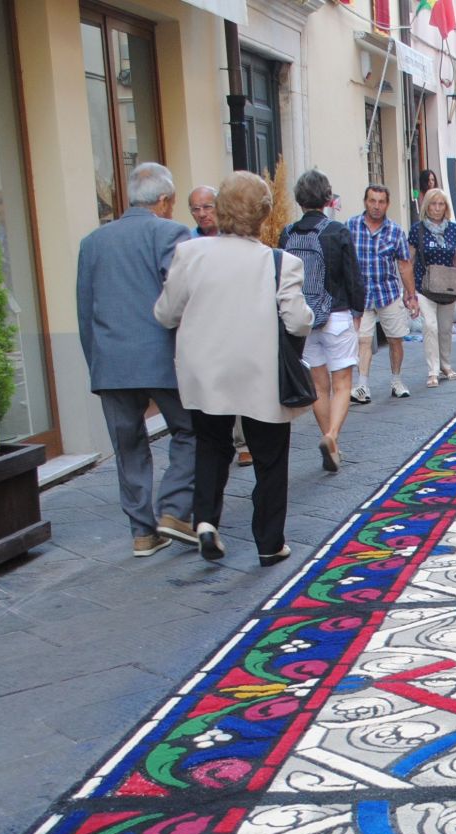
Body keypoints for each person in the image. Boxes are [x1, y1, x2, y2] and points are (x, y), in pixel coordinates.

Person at [153, 170, 312, 567]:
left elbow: (166, 313)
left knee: (210, 445)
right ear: (262, 215)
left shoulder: (190, 254)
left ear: (220, 210)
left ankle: (206, 521)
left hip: (205, 371)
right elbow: (296, 321)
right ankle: (269, 542)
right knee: (270, 458)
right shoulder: (280, 263)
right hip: (260, 371)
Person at [74, 161, 198, 557]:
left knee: (127, 445)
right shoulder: (170, 233)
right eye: (174, 201)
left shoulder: (92, 242)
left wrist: (96, 360)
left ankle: (142, 533)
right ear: (163, 200)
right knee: (191, 430)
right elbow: (180, 296)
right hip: (162, 356)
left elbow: (84, 307)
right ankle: (174, 510)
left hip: (111, 360)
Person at [282, 170, 364, 472]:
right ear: (328, 197)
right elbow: (352, 275)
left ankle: (330, 441)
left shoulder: (288, 234)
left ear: (299, 199)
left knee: (318, 385)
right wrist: (358, 309)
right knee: (342, 383)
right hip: (337, 313)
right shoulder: (338, 231)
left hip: (305, 317)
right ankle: (332, 436)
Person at [347, 182, 419, 404]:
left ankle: (396, 380)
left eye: (381, 202)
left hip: (387, 292)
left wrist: (411, 295)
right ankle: (362, 385)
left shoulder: (395, 231)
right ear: (365, 202)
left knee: (396, 339)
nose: (376, 206)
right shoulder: (350, 226)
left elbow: (404, 265)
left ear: (387, 204)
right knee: (363, 340)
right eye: (372, 201)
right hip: (361, 294)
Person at [410, 187, 456, 387]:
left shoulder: (452, 229)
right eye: (433, 204)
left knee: (445, 328)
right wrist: (409, 290)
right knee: (430, 326)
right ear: (427, 206)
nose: (437, 208)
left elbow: (455, 256)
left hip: (447, 286)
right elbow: (411, 257)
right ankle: (433, 369)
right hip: (424, 285)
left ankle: (446, 364)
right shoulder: (417, 230)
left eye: (441, 204)